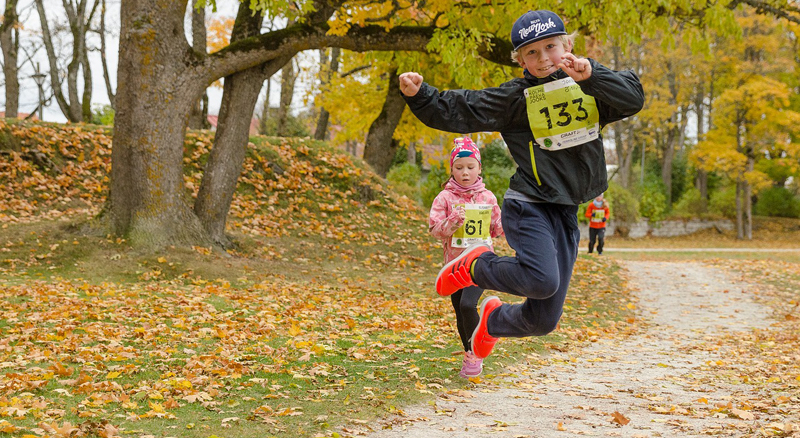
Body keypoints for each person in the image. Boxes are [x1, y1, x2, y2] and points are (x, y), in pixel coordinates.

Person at [399, 9, 644, 359]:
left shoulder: (589, 85)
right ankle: (474, 265)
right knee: (543, 280)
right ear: (520, 60)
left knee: (543, 320)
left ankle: (492, 322)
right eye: (532, 52)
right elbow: (465, 107)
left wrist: (592, 74)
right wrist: (422, 96)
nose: (543, 58)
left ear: (567, 45)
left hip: (565, 210)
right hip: (528, 204)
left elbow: (633, 98)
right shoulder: (516, 99)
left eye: (551, 47)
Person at [429, 137, 503, 378]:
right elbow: (435, 230)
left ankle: (477, 352)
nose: (465, 172)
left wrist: (514, 227)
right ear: (452, 169)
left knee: (467, 304)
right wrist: (453, 222)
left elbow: (497, 229)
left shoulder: (488, 197)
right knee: (460, 312)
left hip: (480, 262)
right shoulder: (444, 198)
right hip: (454, 266)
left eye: (470, 167)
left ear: (479, 168)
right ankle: (471, 355)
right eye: (459, 167)